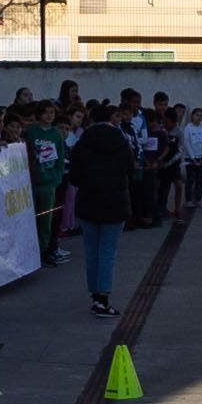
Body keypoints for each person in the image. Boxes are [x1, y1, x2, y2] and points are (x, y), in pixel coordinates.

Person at [66, 102, 140, 314]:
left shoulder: (82, 142)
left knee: (92, 251)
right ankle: (103, 296)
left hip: (88, 201)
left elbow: (75, 176)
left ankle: (94, 293)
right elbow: (130, 171)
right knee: (108, 251)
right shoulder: (121, 141)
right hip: (115, 202)